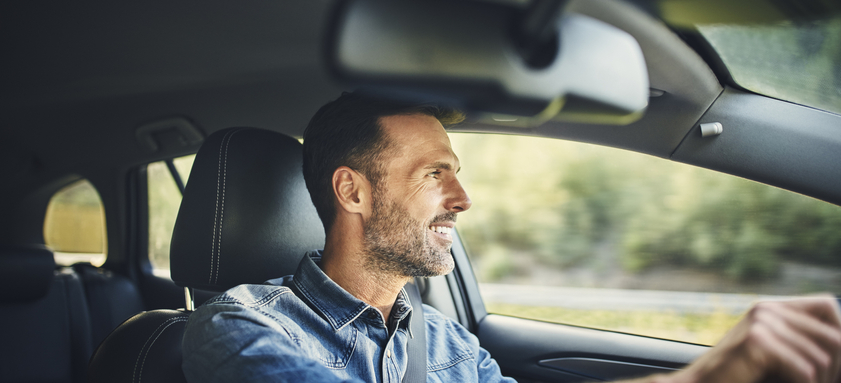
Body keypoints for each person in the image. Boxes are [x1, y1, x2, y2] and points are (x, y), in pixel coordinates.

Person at [182, 92, 841, 383]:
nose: (462, 200)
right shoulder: (238, 328)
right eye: (433, 174)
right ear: (352, 191)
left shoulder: (442, 339)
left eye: (457, 175)